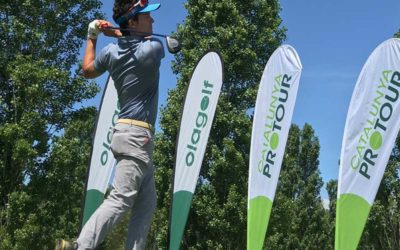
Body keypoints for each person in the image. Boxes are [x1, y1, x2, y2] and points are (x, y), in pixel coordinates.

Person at [55, 0, 164, 249]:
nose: (153, 21)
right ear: (133, 22)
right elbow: (139, 44)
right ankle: (79, 246)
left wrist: (93, 36)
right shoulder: (153, 49)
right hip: (138, 137)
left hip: (128, 135)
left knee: (146, 203)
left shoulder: (110, 53)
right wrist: (117, 32)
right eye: (147, 17)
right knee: (121, 199)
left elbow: (88, 70)